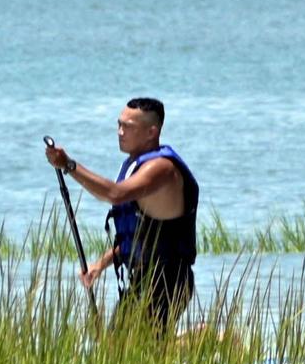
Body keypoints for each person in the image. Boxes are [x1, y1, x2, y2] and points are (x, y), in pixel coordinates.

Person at [43, 97, 199, 333]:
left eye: (128, 127)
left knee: (134, 352)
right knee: (118, 352)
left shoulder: (161, 169)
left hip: (169, 279)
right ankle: (202, 341)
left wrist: (69, 165)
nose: (120, 132)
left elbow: (114, 194)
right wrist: (100, 265)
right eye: (119, 124)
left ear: (151, 132)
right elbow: (139, 236)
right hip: (144, 277)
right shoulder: (133, 165)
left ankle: (210, 338)